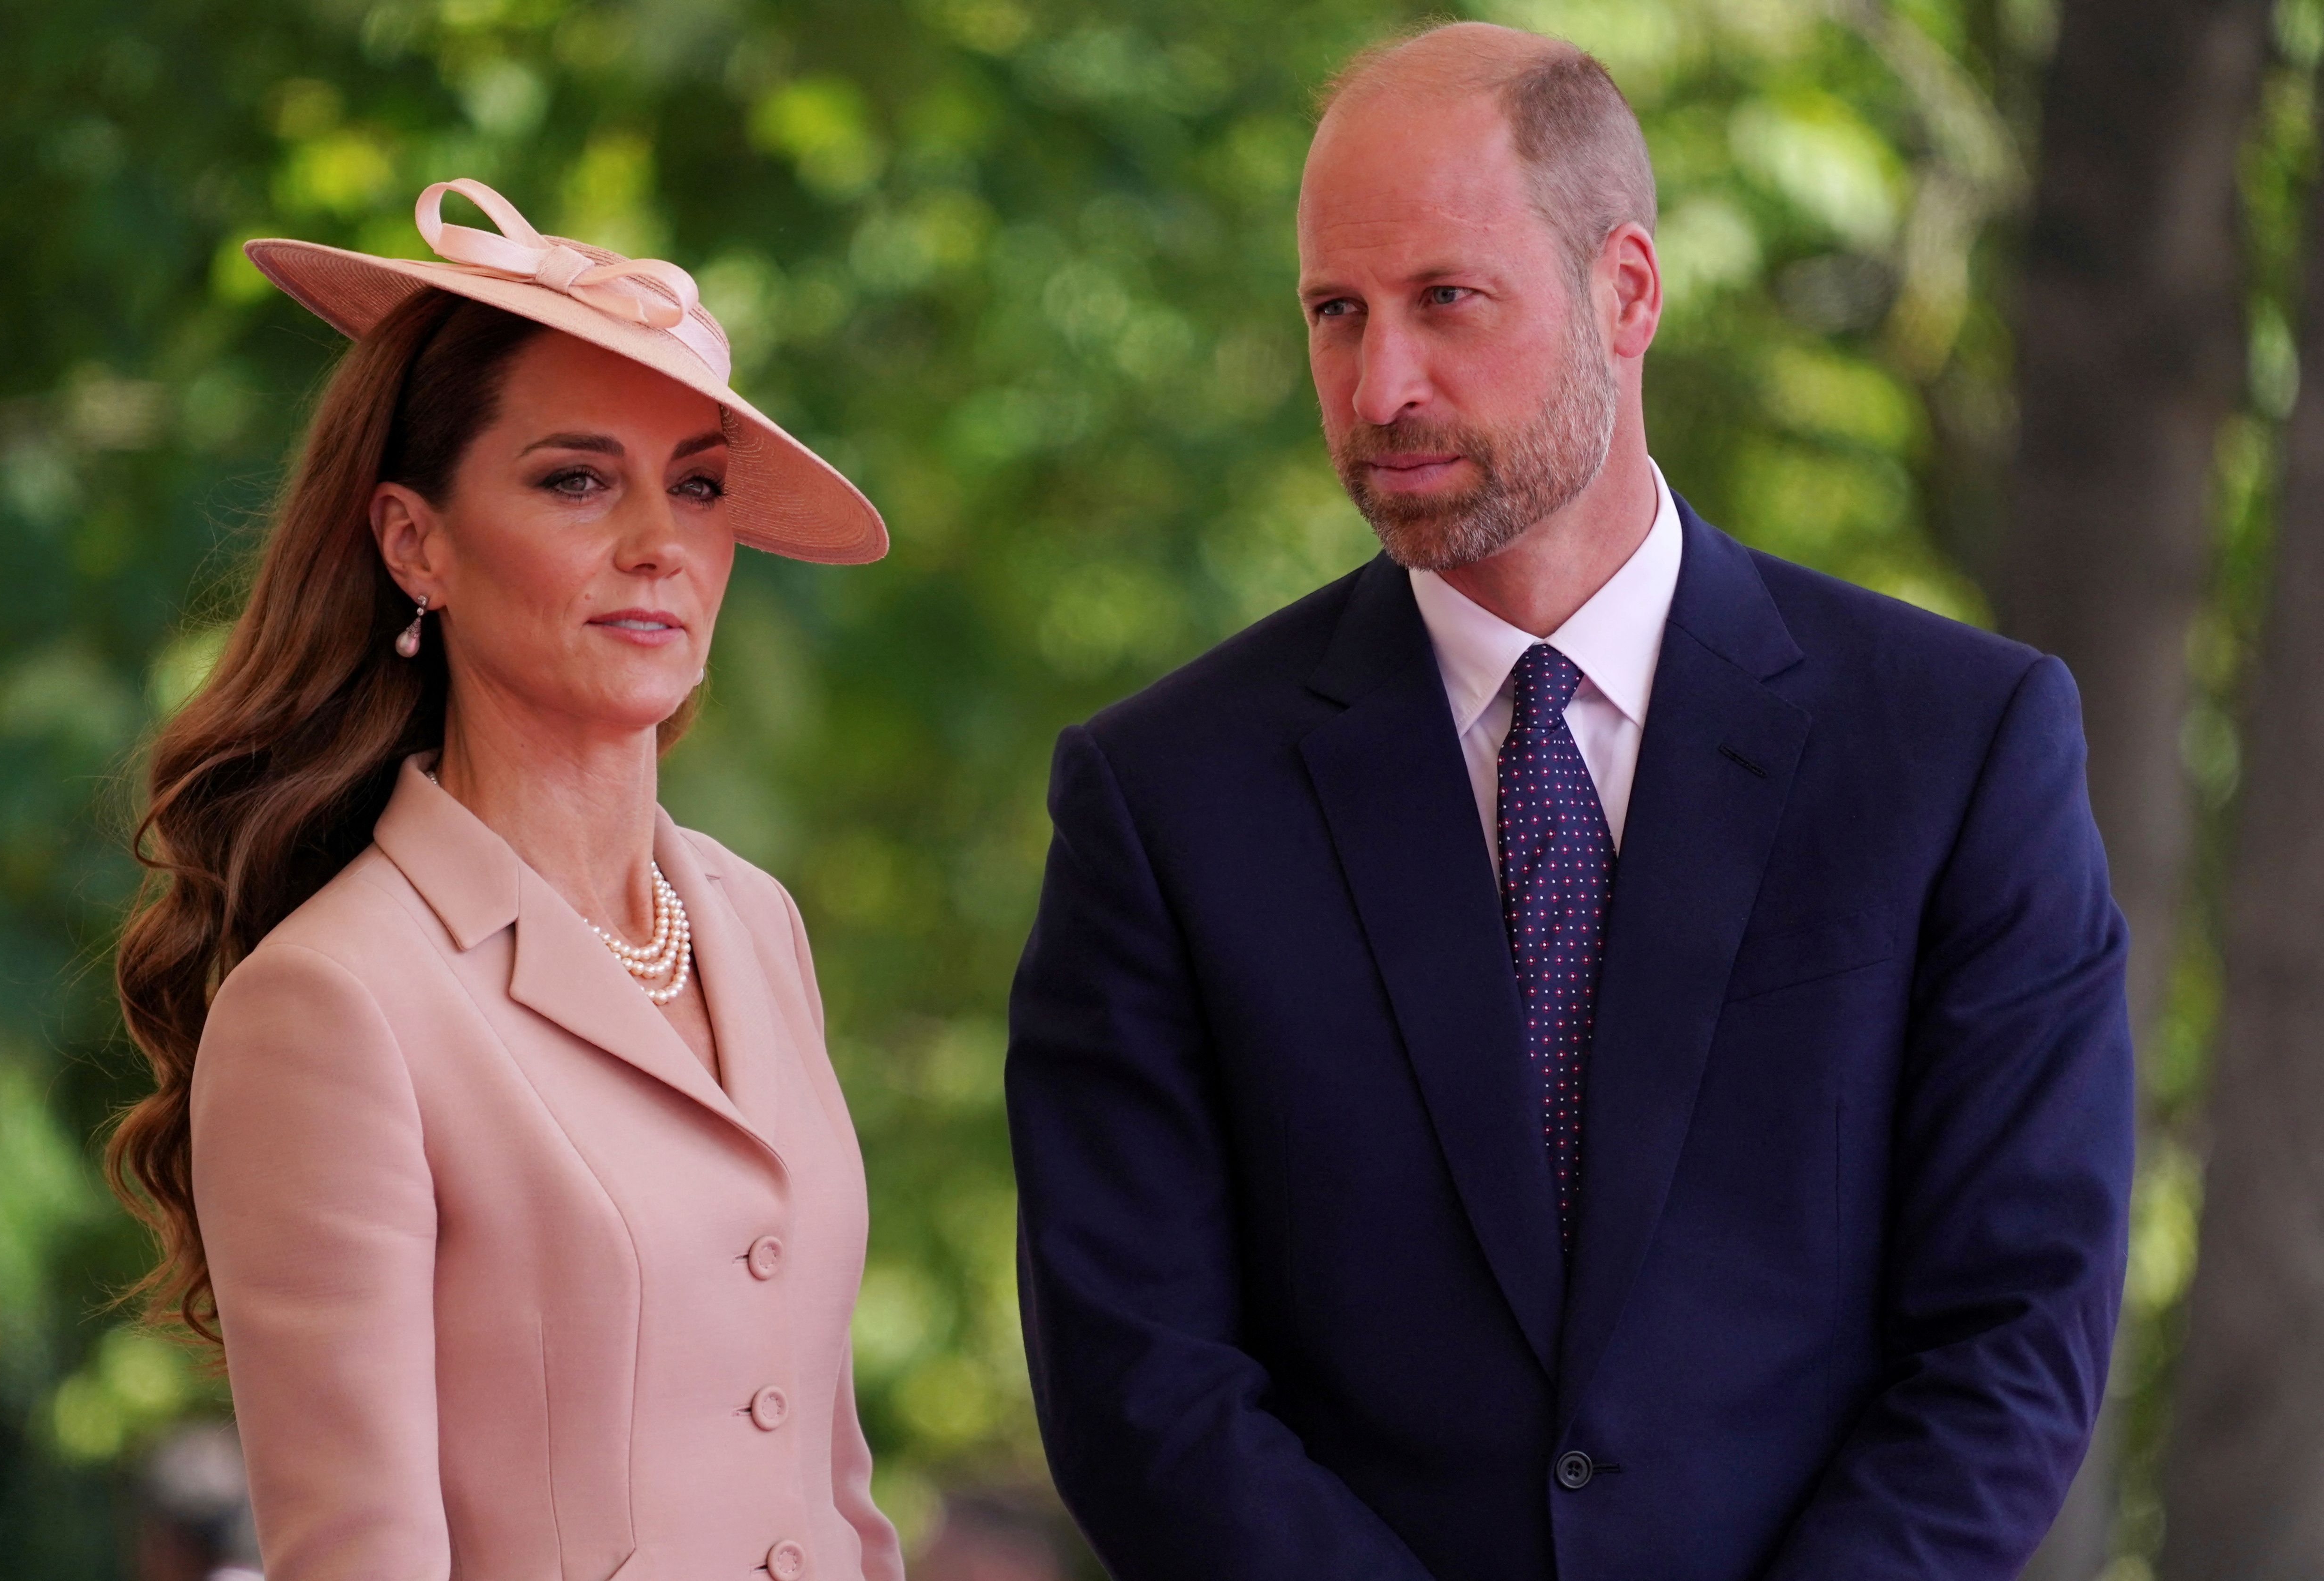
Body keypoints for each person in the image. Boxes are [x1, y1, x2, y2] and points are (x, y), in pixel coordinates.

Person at [1005, 23, 2133, 1580]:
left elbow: (2015, 1329)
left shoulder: (1956, 747)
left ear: (1627, 292)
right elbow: (1136, 1377)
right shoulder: (1162, 799)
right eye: (1335, 312)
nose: (1379, 383)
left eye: (1445, 299)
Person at [108, 179, 902, 1581]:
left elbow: (833, 1490)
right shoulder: (332, 1002)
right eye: (577, 480)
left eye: (697, 485)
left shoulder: (755, 922)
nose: (660, 542)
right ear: (414, 542)